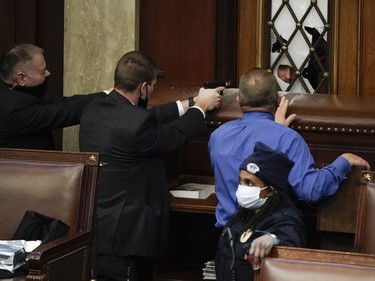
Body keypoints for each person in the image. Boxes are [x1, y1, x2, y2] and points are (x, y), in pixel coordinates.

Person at [79, 50, 223, 281]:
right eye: (153, 86)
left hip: (97, 225)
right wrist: (201, 109)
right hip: (128, 233)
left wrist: (190, 103)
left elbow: (145, 117)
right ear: (144, 87)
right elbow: (174, 135)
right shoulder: (137, 122)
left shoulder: (95, 107)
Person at [208, 67, 370, 229]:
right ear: (278, 100)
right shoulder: (286, 138)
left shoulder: (217, 136)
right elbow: (312, 191)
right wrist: (344, 161)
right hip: (270, 239)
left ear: (239, 101)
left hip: (228, 240)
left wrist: (276, 130)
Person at [215, 142, 306, 281]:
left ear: (269, 190)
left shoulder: (286, 219)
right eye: (241, 181)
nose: (242, 188)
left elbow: (290, 243)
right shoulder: (245, 213)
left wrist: (273, 239)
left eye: (249, 183)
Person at [0, 43, 106, 149]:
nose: (48, 73)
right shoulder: (15, 109)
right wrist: (111, 96)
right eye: (42, 72)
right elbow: (66, 111)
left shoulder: (10, 89)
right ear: (21, 78)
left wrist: (106, 94)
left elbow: (59, 102)